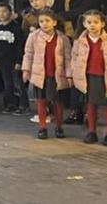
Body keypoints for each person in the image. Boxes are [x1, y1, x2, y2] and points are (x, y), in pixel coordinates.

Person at [70, 10, 107, 146]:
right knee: (90, 106)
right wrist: (75, 72)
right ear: (84, 23)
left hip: (106, 78)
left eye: (96, 22)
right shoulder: (80, 41)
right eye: (89, 22)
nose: (92, 25)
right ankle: (92, 132)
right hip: (88, 77)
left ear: (102, 23)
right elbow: (74, 57)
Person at [22, 9, 72, 140]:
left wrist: (69, 75)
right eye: (41, 21)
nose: (44, 24)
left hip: (57, 75)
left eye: (47, 21)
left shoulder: (62, 38)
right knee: (41, 102)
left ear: (54, 22)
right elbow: (28, 55)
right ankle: (42, 127)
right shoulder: (33, 37)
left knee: (58, 102)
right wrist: (26, 70)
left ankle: (59, 127)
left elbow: (68, 57)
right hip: (40, 75)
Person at [0, 3, 28, 115]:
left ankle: (23, 105)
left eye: (4, 11)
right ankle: (11, 104)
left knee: (18, 84)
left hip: (14, 60)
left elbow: (20, 46)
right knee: (7, 84)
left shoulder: (16, 28)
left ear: (10, 13)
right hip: (3, 61)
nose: (2, 14)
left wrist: (19, 61)